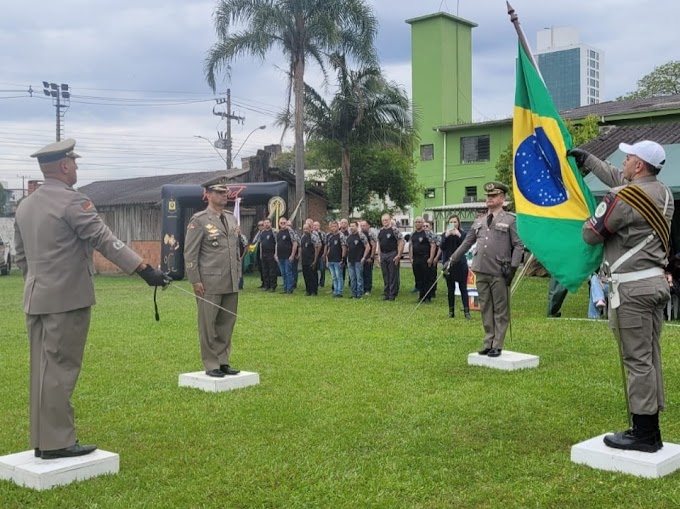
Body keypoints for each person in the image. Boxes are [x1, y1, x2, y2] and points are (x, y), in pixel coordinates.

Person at [13, 139, 169, 460]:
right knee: (61, 369)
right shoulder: (73, 202)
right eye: (74, 162)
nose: (77, 168)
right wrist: (144, 269)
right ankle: (58, 443)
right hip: (67, 299)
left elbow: (20, 257)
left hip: (36, 297)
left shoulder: (26, 205)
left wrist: (39, 282)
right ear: (65, 166)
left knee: (41, 370)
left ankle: (43, 439)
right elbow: (104, 240)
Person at [570, 140, 673, 452]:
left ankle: (643, 434)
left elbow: (591, 233)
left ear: (639, 165)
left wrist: (586, 218)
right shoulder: (663, 192)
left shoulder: (623, 198)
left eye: (628, 158)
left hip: (632, 290)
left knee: (637, 360)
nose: (624, 162)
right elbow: (619, 179)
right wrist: (589, 160)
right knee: (649, 357)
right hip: (654, 283)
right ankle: (649, 427)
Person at [448, 182, 524, 357]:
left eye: (494, 196)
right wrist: (453, 258)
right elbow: (467, 242)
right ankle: (488, 341)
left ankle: (498, 344)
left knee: (500, 309)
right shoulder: (479, 221)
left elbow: (518, 246)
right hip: (480, 269)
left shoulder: (510, 220)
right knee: (485, 308)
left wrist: (513, 268)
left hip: (499, 270)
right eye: (488, 196)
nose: (489, 199)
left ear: (502, 199)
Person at [184, 176, 242, 378]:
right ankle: (211, 363)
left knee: (226, 323)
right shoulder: (199, 220)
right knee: (208, 324)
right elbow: (190, 253)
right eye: (218, 192)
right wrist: (195, 279)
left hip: (230, 278)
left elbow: (234, 249)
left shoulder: (230, 217)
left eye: (225, 192)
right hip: (209, 280)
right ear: (207, 195)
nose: (223, 195)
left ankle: (223, 360)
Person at [441, 215, 471, 319]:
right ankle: (451, 311)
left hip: (461, 264)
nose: (453, 224)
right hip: (449, 264)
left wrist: (458, 235)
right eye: (451, 222)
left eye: (455, 222)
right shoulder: (444, 234)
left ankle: (467, 312)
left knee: (463, 288)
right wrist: (446, 235)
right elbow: (442, 247)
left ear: (458, 223)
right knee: (450, 289)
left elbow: (466, 246)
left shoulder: (463, 234)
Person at [409, 217, 436, 303]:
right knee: (418, 278)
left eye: (419, 222)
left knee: (426, 278)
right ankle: (421, 296)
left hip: (425, 258)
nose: (418, 224)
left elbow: (433, 245)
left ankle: (427, 297)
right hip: (416, 259)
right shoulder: (413, 234)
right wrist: (411, 258)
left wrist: (431, 258)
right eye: (416, 222)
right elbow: (411, 246)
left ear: (422, 222)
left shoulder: (428, 233)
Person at [378, 214, 404, 301]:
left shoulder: (394, 230)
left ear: (390, 220)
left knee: (393, 275)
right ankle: (386, 293)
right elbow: (379, 243)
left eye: (386, 220)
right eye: (383, 220)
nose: (384, 222)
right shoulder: (380, 231)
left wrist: (399, 255)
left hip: (392, 253)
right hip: (383, 254)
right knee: (385, 275)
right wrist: (379, 255)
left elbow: (401, 242)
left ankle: (392, 294)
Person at [345, 220, 370, 298]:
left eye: (353, 226)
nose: (352, 228)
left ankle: (359, 293)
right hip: (350, 260)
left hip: (358, 260)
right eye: (351, 226)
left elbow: (368, 247)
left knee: (359, 277)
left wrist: (364, 257)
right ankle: (353, 293)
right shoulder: (348, 237)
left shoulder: (361, 235)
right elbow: (347, 248)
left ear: (357, 226)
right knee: (352, 278)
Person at [324, 220, 347, 297]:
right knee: (334, 277)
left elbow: (344, 247)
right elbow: (329, 248)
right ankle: (335, 291)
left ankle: (339, 292)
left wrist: (343, 259)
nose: (333, 228)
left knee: (339, 276)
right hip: (331, 260)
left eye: (335, 226)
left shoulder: (341, 236)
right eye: (332, 226)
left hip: (338, 260)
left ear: (338, 227)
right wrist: (327, 259)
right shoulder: (330, 236)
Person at [275, 216, 297, 294]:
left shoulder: (290, 231)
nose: (283, 224)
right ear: (279, 223)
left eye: (284, 222)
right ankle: (285, 288)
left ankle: (289, 289)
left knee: (288, 273)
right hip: (280, 256)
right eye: (281, 223)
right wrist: (276, 254)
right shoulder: (278, 232)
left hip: (288, 256)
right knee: (283, 273)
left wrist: (292, 255)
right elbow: (277, 244)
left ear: (286, 222)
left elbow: (295, 243)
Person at [299, 222, 321, 296]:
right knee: (306, 275)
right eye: (304, 229)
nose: (305, 230)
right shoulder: (302, 237)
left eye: (307, 229)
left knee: (313, 275)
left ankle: (314, 291)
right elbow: (301, 248)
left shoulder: (313, 237)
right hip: (304, 260)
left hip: (311, 259)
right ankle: (308, 290)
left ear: (310, 229)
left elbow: (316, 248)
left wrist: (315, 260)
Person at [259, 218, 278, 292]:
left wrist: (276, 254)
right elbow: (261, 244)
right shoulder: (262, 232)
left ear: (270, 223)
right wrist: (261, 254)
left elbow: (277, 243)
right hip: (264, 254)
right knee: (265, 271)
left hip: (271, 254)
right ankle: (267, 286)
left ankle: (273, 286)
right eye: (265, 223)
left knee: (272, 271)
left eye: (268, 222)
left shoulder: (274, 232)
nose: (266, 224)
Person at [359, 220, 377, 296]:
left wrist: (371, 257)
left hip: (368, 257)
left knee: (367, 273)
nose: (363, 227)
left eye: (364, 225)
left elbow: (374, 246)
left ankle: (368, 289)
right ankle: (362, 288)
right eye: (361, 225)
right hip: (360, 256)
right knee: (361, 273)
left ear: (368, 226)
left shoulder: (370, 234)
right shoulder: (359, 234)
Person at [313, 221, 327, 287]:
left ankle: (322, 282)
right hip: (314, 255)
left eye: (317, 225)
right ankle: (315, 282)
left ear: (319, 226)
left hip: (321, 255)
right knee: (314, 269)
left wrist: (324, 254)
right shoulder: (312, 234)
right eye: (314, 225)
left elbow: (325, 244)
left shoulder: (323, 234)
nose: (315, 227)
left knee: (322, 269)